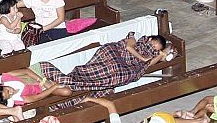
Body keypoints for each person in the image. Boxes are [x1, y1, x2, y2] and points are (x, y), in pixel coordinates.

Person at [39, 33, 172, 94]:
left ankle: (61, 84)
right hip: (112, 54)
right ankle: (60, 80)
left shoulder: (151, 55)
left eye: (155, 48)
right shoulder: (134, 39)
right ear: (148, 39)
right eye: (153, 44)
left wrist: (162, 53)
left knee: (120, 74)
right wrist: (143, 58)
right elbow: (128, 48)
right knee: (111, 68)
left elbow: (150, 63)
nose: (152, 48)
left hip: (123, 69)